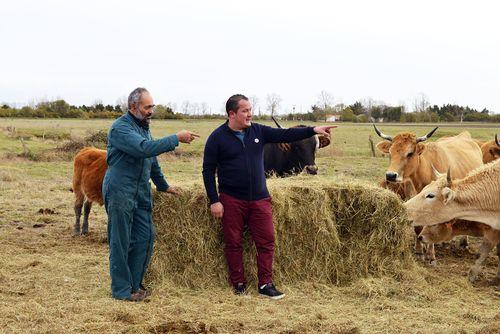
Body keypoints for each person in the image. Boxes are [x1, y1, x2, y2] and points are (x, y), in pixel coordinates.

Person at [202, 94, 336, 299]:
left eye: (250, 110)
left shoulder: (258, 131)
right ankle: (238, 283)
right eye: (245, 111)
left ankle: (265, 284)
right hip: (232, 199)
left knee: (266, 241)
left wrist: (312, 130)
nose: (250, 114)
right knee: (233, 242)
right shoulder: (217, 138)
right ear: (232, 114)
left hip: (259, 199)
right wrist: (214, 200)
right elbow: (208, 170)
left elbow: (285, 134)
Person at [103, 87, 199, 301]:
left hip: (141, 191)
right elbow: (144, 149)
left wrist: (163, 185)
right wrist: (175, 138)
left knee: (145, 236)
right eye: (147, 107)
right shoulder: (121, 128)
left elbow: (151, 160)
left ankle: (135, 285)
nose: (151, 111)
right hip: (121, 189)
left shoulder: (143, 126)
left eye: (152, 106)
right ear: (132, 107)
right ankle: (121, 291)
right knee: (121, 240)